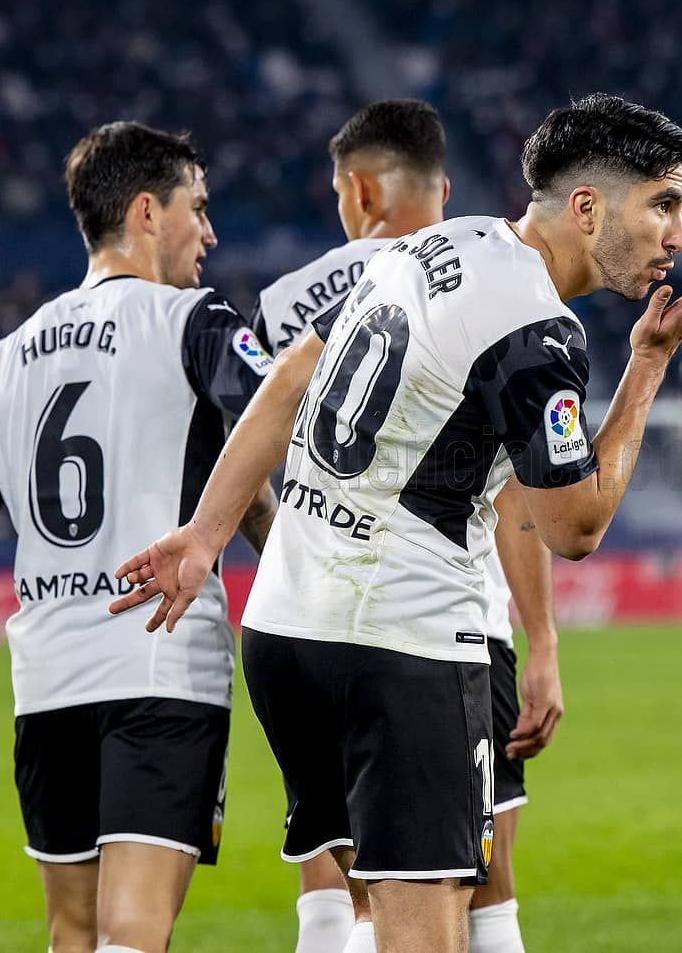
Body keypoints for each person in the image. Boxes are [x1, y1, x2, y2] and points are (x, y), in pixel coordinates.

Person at [112, 92, 682, 953]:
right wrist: (646, 368)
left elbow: (293, 375)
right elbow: (575, 525)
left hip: (284, 636)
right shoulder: (538, 333)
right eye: (663, 204)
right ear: (588, 207)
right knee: (428, 934)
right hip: (401, 649)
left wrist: (205, 535)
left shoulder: (433, 245)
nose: (677, 235)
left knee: (356, 915)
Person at [0, 122, 278, 953]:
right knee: (134, 935)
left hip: (48, 678)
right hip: (161, 667)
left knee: (73, 935)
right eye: (199, 208)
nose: (211, 232)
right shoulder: (191, 320)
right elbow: (278, 411)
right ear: (147, 212)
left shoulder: (3, 361)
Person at [254, 100, 560, 953]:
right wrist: (542, 640)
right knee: (474, 884)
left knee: (340, 878)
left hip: (306, 609)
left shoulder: (285, 306)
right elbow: (511, 500)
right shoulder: (486, 289)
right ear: (447, 189)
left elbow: (266, 440)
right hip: (448, 621)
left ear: (356, 191)